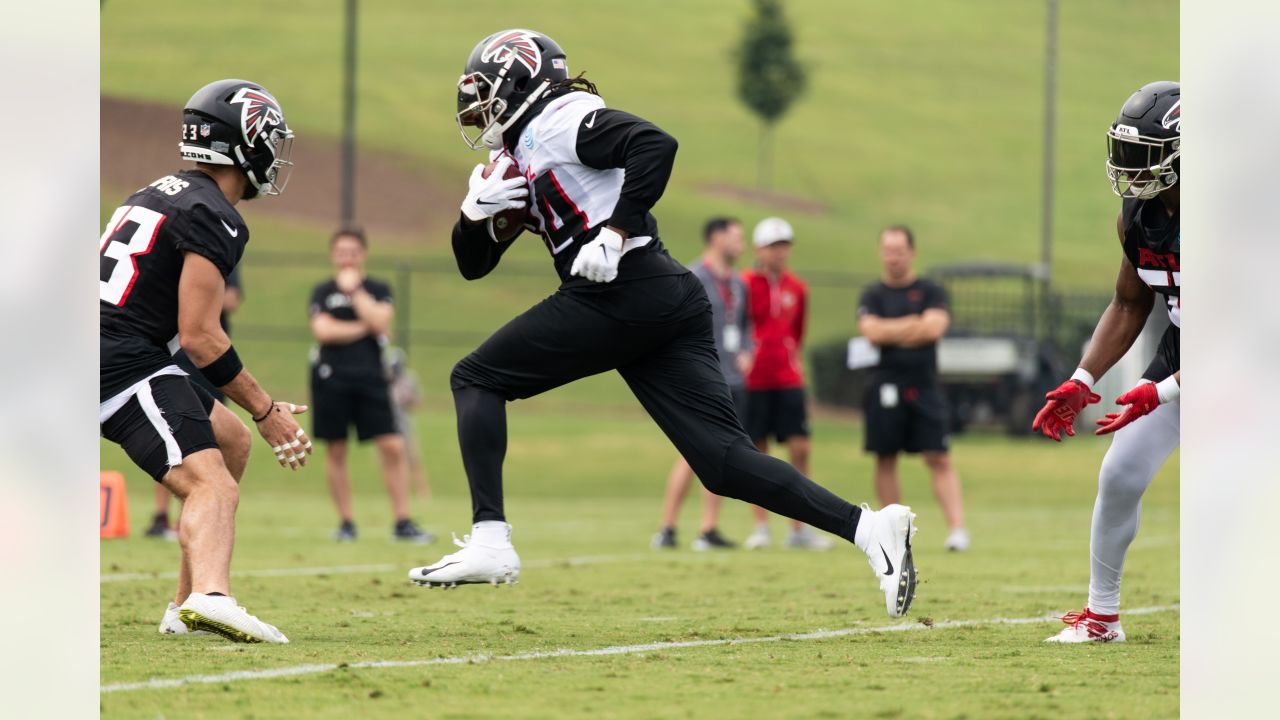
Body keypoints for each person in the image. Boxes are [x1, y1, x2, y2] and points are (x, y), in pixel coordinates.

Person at [407, 29, 919, 619]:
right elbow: (473, 266)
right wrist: (472, 218)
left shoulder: (560, 119)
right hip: (664, 297)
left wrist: (615, 230)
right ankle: (869, 529)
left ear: (523, 83)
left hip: (624, 290)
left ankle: (491, 541)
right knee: (723, 463)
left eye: (487, 93)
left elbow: (655, 144)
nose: (480, 109)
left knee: (477, 378)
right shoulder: (518, 155)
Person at [99, 78, 305, 643]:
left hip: (119, 350)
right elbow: (200, 338)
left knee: (229, 442)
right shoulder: (213, 212)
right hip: (117, 361)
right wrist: (269, 412)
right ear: (246, 141)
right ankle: (213, 596)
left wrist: (250, 416)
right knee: (213, 486)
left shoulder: (157, 192)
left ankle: (186, 605)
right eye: (270, 139)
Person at [1035, 81, 1181, 643]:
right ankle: (1102, 617)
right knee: (1120, 473)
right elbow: (1129, 301)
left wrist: (1161, 392)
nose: (1129, 169)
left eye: (1144, 154)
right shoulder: (1138, 217)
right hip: (1183, 356)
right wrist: (1081, 379)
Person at [308, 227, 432, 544]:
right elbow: (324, 332)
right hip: (331, 377)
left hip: (372, 377)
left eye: (353, 251)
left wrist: (356, 295)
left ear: (363, 254)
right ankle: (346, 522)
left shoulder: (377, 288)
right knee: (336, 448)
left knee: (392, 445)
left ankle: (402, 521)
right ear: (333, 255)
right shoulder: (322, 292)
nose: (347, 257)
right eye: (341, 251)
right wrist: (368, 325)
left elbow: (381, 321)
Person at [857, 226, 970, 552]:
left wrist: (891, 329)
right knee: (885, 456)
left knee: (938, 456)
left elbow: (933, 329)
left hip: (925, 386)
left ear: (912, 252)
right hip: (884, 387)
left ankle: (957, 530)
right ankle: (893, 533)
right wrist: (913, 324)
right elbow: (871, 332)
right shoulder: (872, 295)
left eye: (899, 250)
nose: (893, 257)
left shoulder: (931, 291)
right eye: (888, 250)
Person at [652, 217, 751, 551]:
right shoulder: (693, 276)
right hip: (701, 379)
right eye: (736, 237)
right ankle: (667, 527)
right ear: (716, 238)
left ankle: (708, 529)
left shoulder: (739, 283)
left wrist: (747, 351)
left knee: (720, 452)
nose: (742, 244)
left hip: (734, 380)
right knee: (691, 453)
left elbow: (745, 326)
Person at [739, 218, 832, 551]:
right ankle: (761, 526)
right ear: (758, 249)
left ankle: (800, 528)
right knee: (758, 452)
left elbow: (798, 332)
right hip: (754, 379)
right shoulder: (744, 283)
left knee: (800, 449)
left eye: (784, 245)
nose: (779, 252)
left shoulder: (798, 287)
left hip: (788, 378)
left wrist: (791, 360)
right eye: (772, 245)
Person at [147, 264, 244, 540]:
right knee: (167, 438)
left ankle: (187, 520)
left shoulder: (219, 257)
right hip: (171, 360)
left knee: (210, 439)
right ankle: (161, 515)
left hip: (210, 364)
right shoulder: (174, 257)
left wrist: (196, 290)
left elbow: (231, 300)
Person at [385, 345, 433, 499]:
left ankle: (422, 492)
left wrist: (408, 400)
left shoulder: (408, 379)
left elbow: (417, 401)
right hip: (387, 425)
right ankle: (397, 492)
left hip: (404, 424)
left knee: (413, 459)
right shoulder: (383, 381)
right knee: (389, 461)